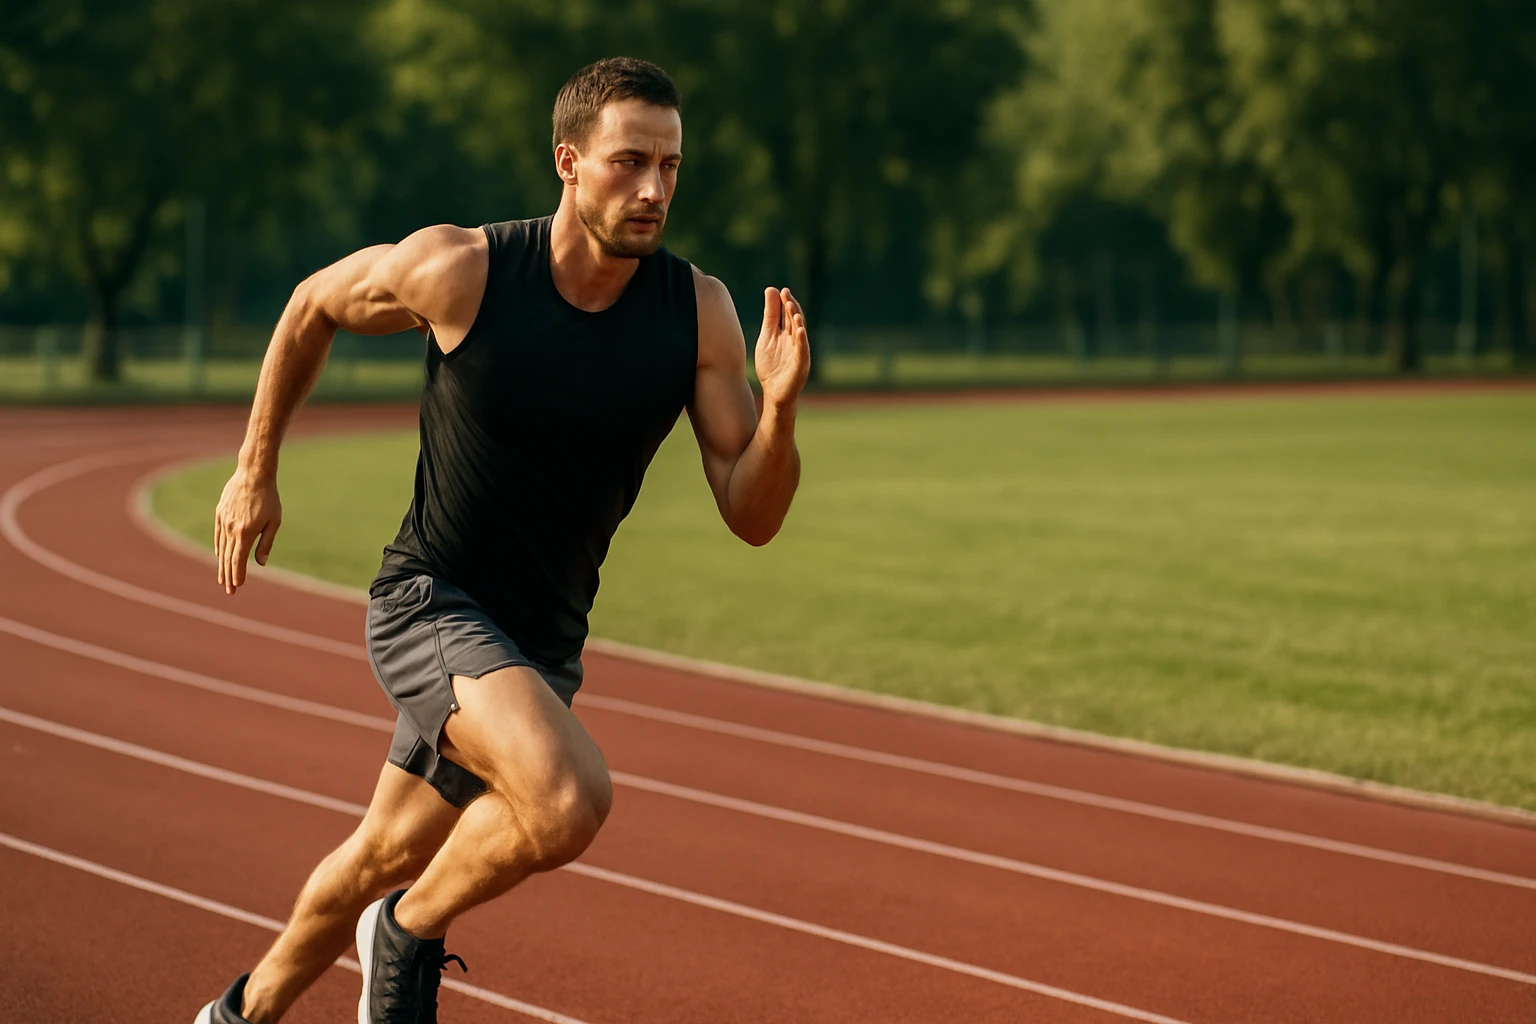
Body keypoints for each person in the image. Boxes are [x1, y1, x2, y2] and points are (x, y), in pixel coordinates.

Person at [194, 57, 808, 1024]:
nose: (654, 189)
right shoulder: (465, 271)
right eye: (629, 162)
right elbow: (313, 302)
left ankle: (237, 1014)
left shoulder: (697, 314)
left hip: (539, 646)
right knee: (567, 798)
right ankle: (407, 932)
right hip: (432, 604)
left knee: (378, 854)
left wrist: (777, 414)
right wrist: (254, 467)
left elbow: (752, 512)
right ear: (567, 162)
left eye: (672, 167)